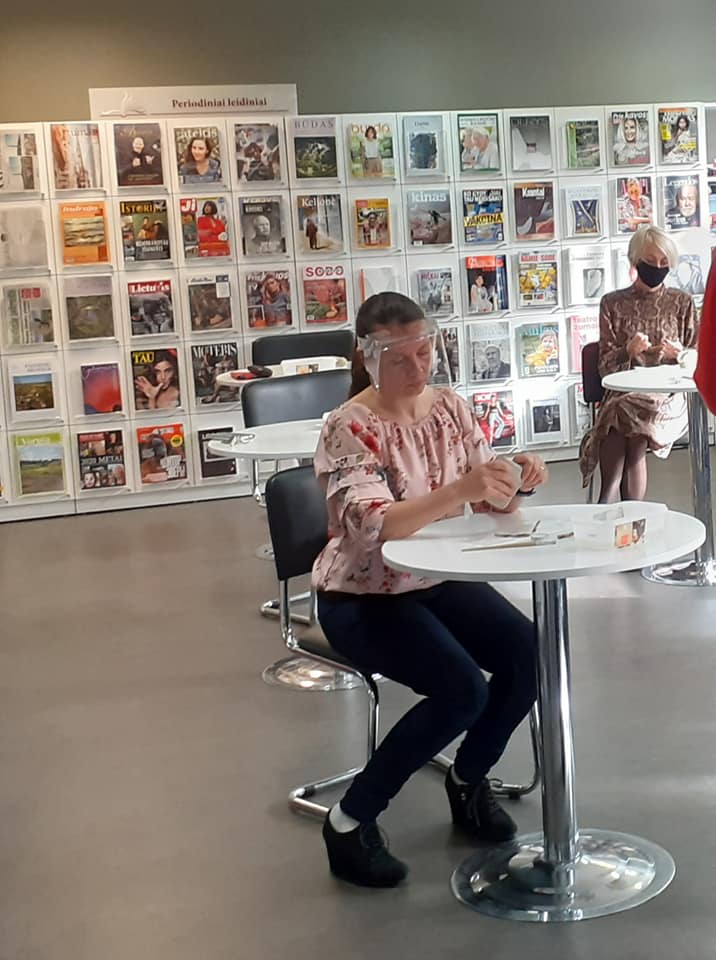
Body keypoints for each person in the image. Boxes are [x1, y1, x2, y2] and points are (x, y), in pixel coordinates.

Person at [314, 291, 547, 888]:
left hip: (435, 578)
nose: (418, 368)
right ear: (369, 358)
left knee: (529, 652)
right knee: (461, 690)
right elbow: (376, 526)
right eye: (400, 358)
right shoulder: (348, 426)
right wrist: (463, 490)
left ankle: (468, 779)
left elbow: (491, 500)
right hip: (362, 595)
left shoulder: (450, 409)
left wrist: (515, 479)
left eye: (425, 352)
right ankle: (348, 820)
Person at [579, 225, 698, 502]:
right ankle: (624, 508)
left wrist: (680, 354)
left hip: (668, 398)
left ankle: (608, 502)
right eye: (650, 261)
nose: (657, 267)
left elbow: (697, 361)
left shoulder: (682, 302)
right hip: (622, 392)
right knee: (624, 416)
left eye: (663, 261)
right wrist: (627, 351)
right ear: (635, 260)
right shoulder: (612, 303)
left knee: (625, 415)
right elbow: (604, 368)